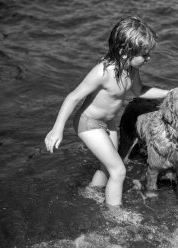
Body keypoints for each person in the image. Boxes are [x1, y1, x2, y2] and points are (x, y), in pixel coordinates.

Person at [44, 16, 169, 208]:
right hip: (88, 124)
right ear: (124, 52)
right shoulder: (102, 72)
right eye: (144, 54)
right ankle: (114, 216)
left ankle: (89, 194)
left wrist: (171, 93)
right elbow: (73, 97)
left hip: (108, 124)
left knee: (107, 167)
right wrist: (57, 129)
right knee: (118, 171)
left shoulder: (131, 69)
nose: (148, 58)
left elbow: (139, 91)